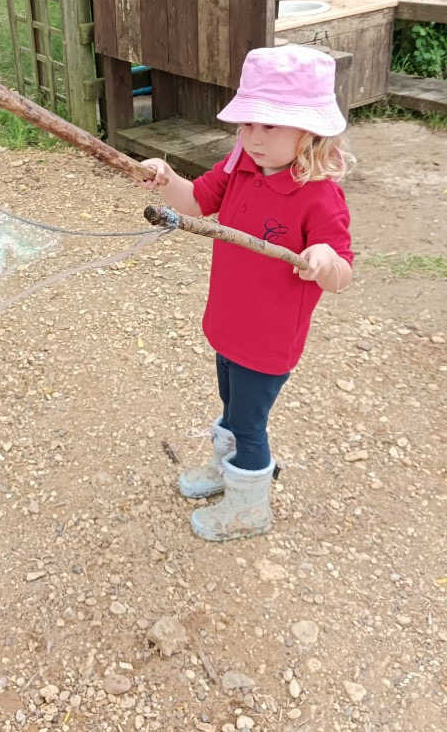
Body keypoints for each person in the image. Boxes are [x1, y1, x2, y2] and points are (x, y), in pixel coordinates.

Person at [137, 44, 354, 542]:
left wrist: (324, 261)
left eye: (269, 125)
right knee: (231, 406)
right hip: (230, 326)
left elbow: (342, 274)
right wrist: (167, 178)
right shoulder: (240, 168)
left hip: (268, 341)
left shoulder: (319, 195)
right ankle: (224, 468)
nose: (253, 137)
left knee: (249, 424)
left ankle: (249, 508)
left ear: (310, 131)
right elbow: (195, 202)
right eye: (247, 124)